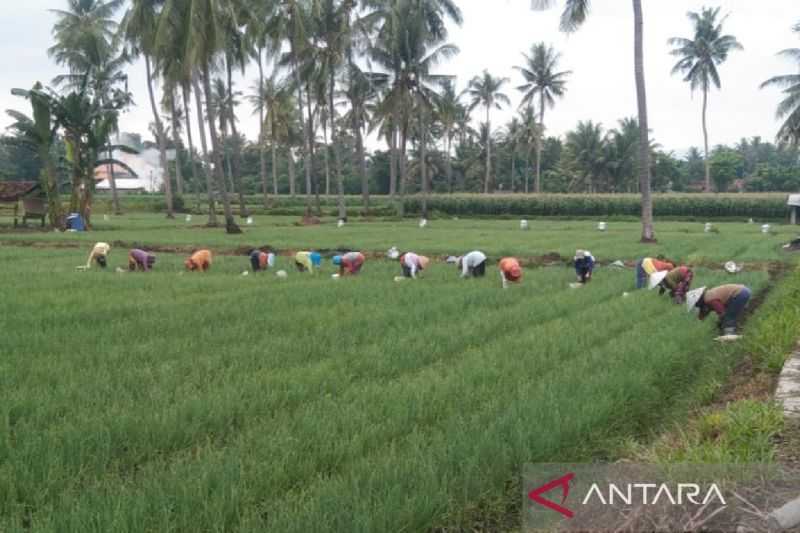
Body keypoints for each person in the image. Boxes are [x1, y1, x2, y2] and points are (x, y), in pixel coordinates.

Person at [687, 284, 752, 335]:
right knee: (730, 314)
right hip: (742, 291)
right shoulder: (708, 295)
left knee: (729, 316)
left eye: (696, 304)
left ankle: (729, 334)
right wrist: (698, 321)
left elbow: (722, 313)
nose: (698, 306)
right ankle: (734, 328)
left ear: (699, 300)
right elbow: (705, 311)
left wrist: (721, 322)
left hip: (740, 294)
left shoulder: (710, 299)